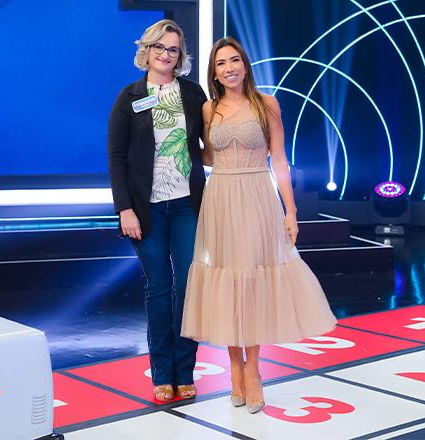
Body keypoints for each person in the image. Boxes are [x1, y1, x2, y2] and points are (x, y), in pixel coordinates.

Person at [181, 37, 337, 413]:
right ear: (213, 72)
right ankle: (234, 365)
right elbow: (207, 155)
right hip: (220, 198)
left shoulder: (266, 104)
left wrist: (291, 210)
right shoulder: (208, 109)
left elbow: (280, 160)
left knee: (251, 280)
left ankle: (254, 368)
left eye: (235, 60)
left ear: (245, 65)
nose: (229, 67)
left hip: (256, 195)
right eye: (221, 63)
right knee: (227, 277)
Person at [107, 19, 208, 402]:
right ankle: (162, 374)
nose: (166, 55)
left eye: (174, 49)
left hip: (187, 206)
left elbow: (212, 138)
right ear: (146, 50)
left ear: (180, 56)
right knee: (159, 288)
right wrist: (124, 210)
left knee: (187, 287)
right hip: (146, 211)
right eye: (160, 48)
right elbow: (116, 157)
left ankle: (185, 371)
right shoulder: (130, 96)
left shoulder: (192, 93)